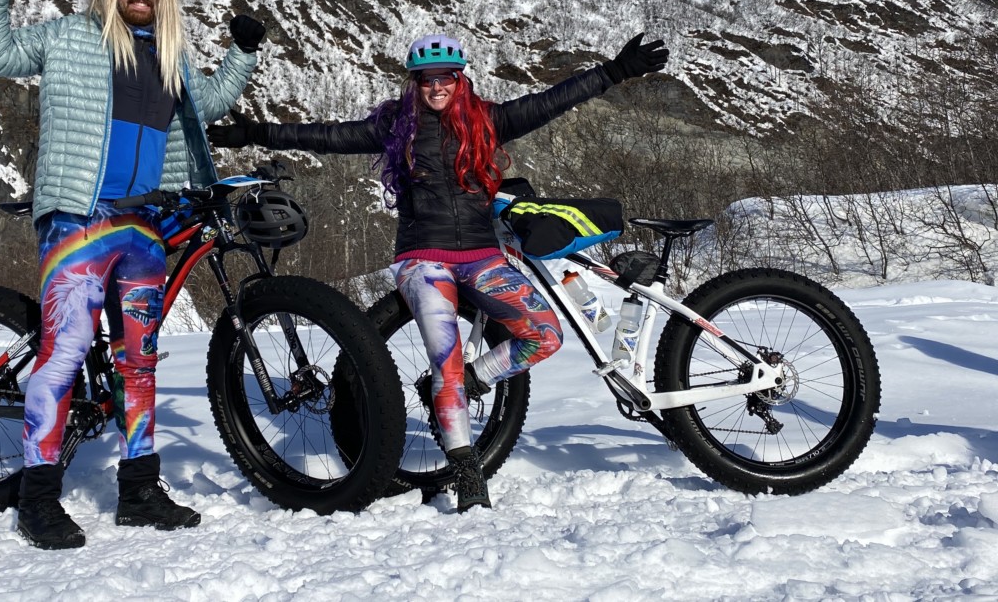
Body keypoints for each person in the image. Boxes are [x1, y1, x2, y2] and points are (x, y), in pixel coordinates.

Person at [207, 31, 668, 512]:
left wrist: (616, 71)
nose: (436, 87)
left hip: (484, 258)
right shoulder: (394, 127)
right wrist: (254, 133)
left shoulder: (489, 121)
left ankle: (468, 383)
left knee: (545, 335)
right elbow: (325, 135)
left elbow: (551, 101)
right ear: (415, 83)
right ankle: (466, 470)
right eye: (426, 79)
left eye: (445, 77)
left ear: (459, 78)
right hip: (423, 261)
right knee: (444, 358)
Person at [0, 0, 265, 549]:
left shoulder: (171, 56)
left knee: (141, 360)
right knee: (67, 348)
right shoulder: (71, 37)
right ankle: (38, 498)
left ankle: (138, 490)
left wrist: (243, 52)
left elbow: (207, 104)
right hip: (79, 216)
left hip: (144, 226)